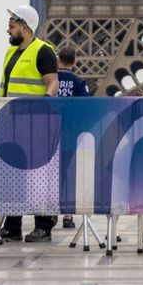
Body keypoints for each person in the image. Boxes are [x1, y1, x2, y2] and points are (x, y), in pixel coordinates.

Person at [0, 5, 59, 243]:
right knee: (13, 174)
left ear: (25, 26)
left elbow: (52, 82)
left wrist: (43, 104)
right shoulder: (10, 53)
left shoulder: (42, 50)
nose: (8, 29)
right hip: (11, 123)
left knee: (38, 175)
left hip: (35, 124)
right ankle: (13, 225)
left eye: (12, 25)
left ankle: (43, 225)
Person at [55, 47, 88, 228]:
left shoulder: (50, 79)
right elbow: (84, 107)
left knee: (51, 172)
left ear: (58, 59)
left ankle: (47, 212)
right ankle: (67, 216)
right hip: (70, 133)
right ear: (75, 61)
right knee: (68, 173)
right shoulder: (78, 81)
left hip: (50, 132)